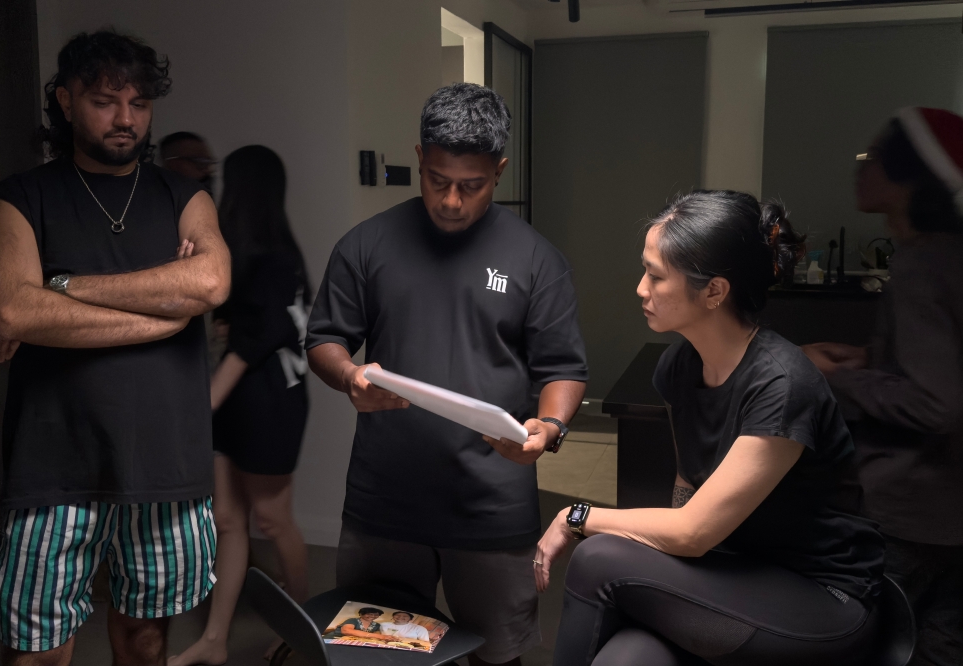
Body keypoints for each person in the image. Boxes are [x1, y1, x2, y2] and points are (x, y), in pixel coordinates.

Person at [538, 190, 885, 666]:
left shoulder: (782, 384)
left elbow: (693, 531)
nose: (641, 288)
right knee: (627, 658)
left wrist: (576, 516)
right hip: (736, 574)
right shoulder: (680, 366)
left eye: (656, 276)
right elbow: (688, 487)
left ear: (715, 292)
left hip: (820, 599)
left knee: (599, 557)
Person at [306, 82, 588, 666]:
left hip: (492, 504)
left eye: (472, 185)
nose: (452, 200)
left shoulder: (536, 259)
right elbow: (325, 339)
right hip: (384, 500)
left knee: (497, 656)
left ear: (500, 171)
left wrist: (549, 428)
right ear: (419, 159)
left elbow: (563, 367)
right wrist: (349, 377)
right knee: (376, 655)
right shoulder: (367, 245)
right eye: (437, 180)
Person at [0, 29, 230, 666]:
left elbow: (209, 281)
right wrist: (165, 315)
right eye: (105, 101)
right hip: (53, 465)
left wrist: (60, 289)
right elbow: (12, 307)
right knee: (36, 652)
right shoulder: (21, 197)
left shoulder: (183, 195)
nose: (126, 119)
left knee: (144, 641)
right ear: (65, 101)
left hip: (165, 465)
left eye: (140, 104)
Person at [803, 107, 963, 666]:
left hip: (913, 505)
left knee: (867, 641)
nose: (859, 169)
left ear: (908, 177)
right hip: (949, 514)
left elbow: (937, 402)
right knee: (941, 646)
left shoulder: (922, 266)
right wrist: (874, 357)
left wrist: (840, 378)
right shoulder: (948, 255)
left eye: (870, 159)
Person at [170, 145, 313, 666]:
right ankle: (215, 640)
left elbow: (255, 340)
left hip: (270, 403)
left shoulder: (274, 257)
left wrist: (204, 403)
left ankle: (306, 631)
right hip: (237, 403)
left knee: (274, 522)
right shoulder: (243, 250)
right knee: (228, 521)